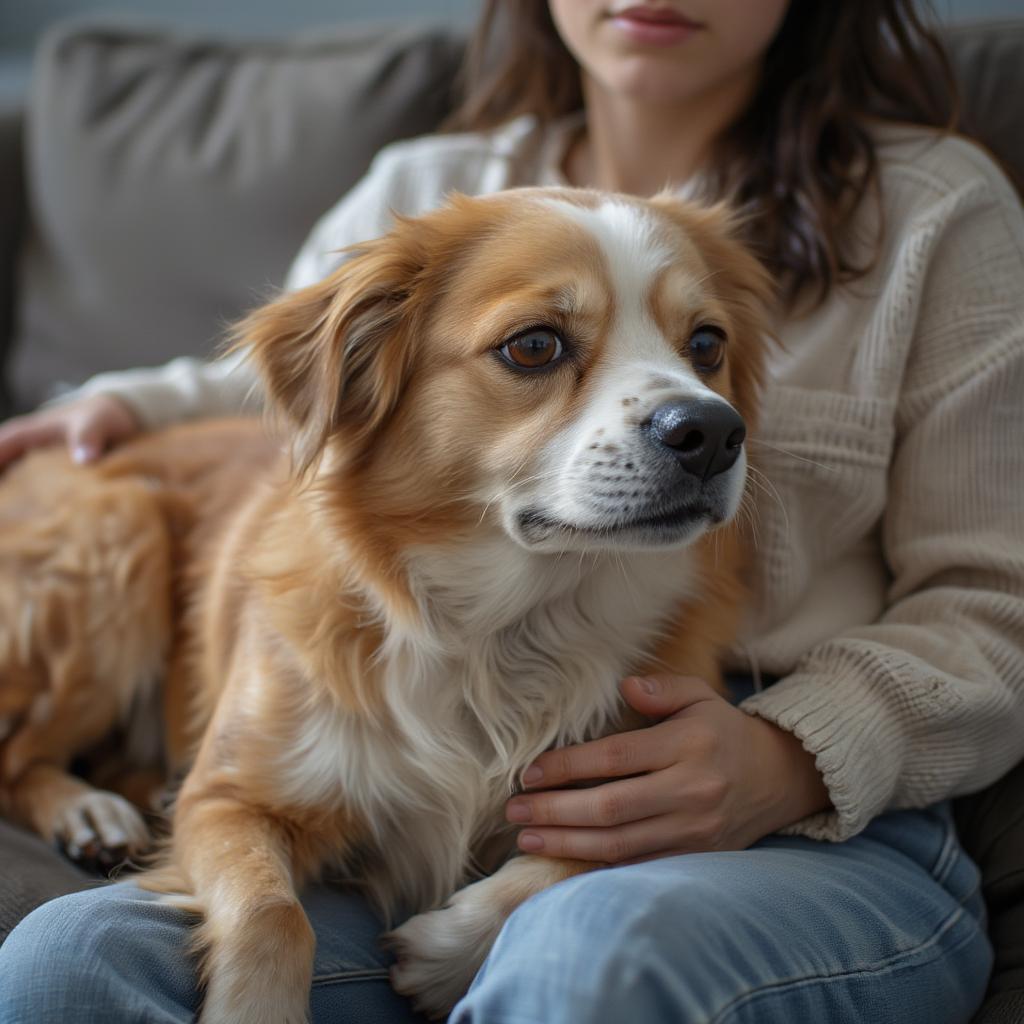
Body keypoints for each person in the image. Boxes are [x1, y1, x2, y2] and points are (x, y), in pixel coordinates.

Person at [1, 1, 1022, 1021]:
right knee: (70, 961)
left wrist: (789, 754)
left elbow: (998, 604)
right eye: (536, 345)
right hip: (426, 801)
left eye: (700, 349)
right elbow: (307, 386)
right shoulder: (420, 186)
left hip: (803, 822)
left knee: (584, 957)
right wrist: (127, 404)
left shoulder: (938, 212)